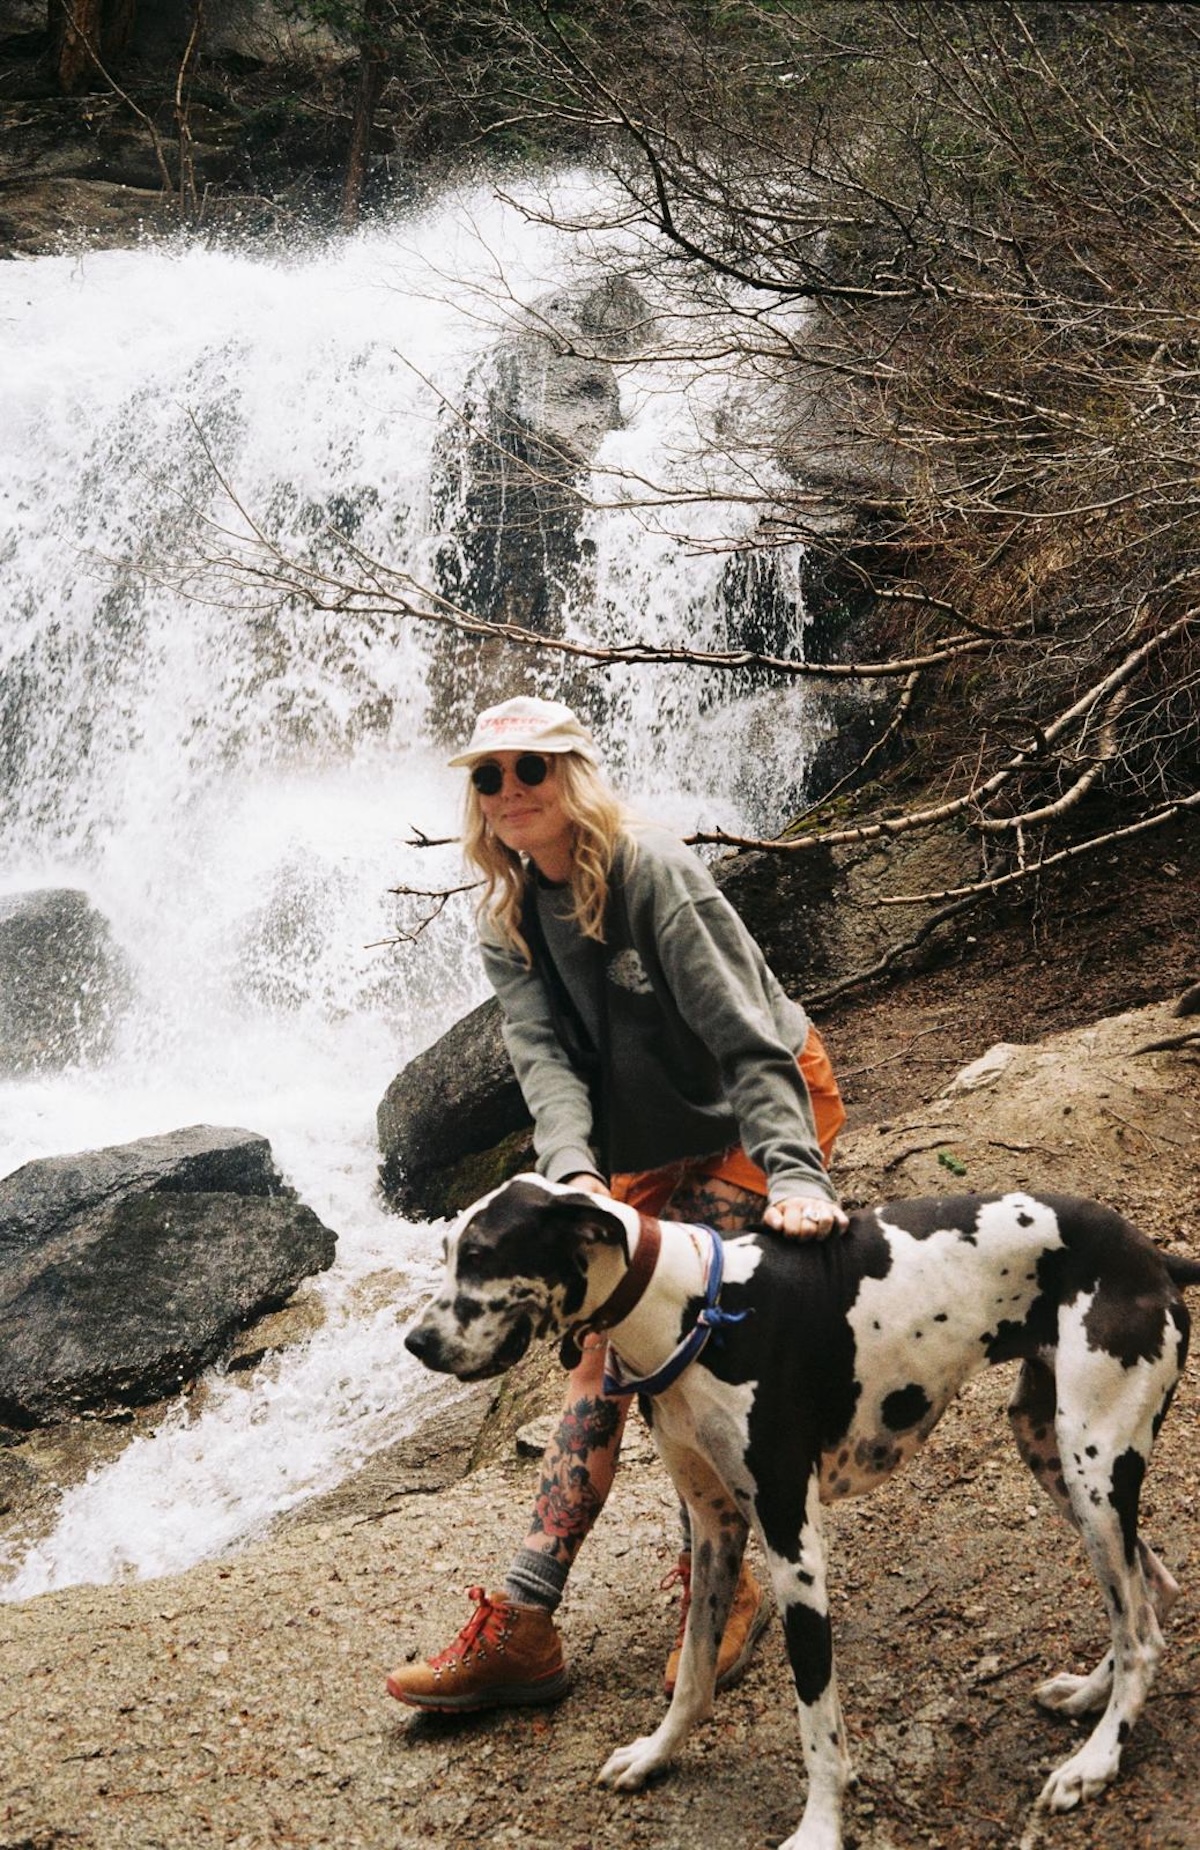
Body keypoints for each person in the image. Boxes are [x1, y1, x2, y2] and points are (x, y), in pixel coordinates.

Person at [387, 695, 847, 1713]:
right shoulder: (506, 909)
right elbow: (542, 1062)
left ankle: (721, 1581)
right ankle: (526, 1619)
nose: (509, 792)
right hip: (634, 1144)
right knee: (601, 1357)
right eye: (488, 776)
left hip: (750, 1106)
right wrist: (573, 1176)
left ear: (574, 775)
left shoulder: (653, 871)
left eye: (530, 769)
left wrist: (799, 1172)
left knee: (699, 1335)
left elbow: (746, 1034)